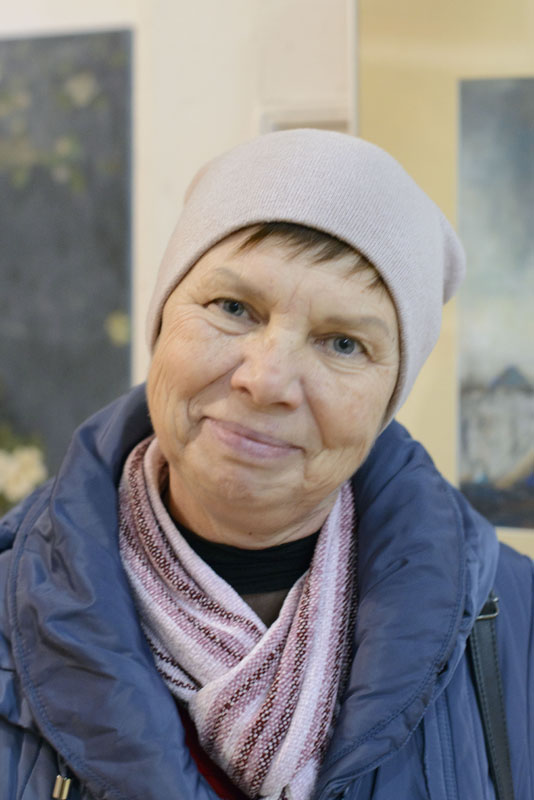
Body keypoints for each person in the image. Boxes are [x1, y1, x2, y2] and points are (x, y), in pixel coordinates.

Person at [0, 129, 532, 800]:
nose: (267, 380)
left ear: (388, 399)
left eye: (343, 343)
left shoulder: (514, 622)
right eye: (233, 308)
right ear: (162, 324)